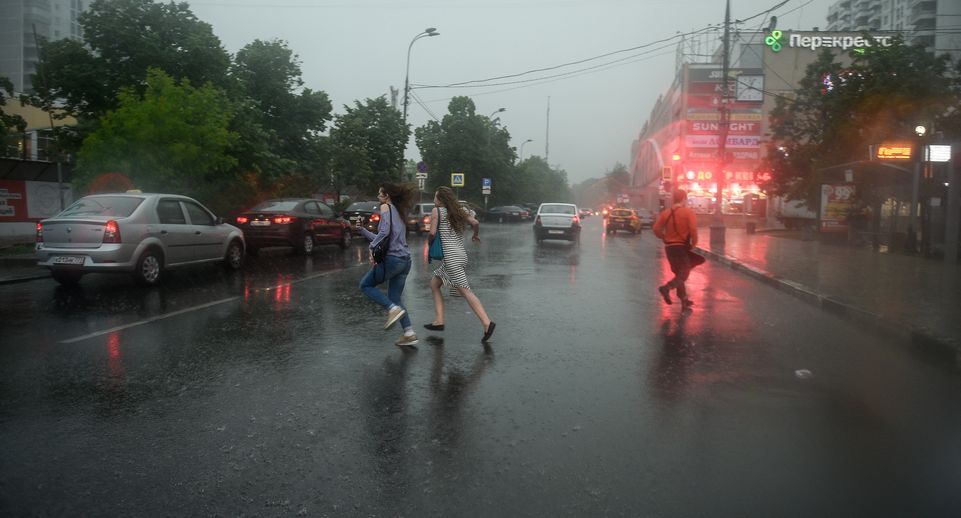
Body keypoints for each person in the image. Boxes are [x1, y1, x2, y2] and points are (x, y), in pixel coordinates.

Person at [424, 186, 496, 342]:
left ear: (441, 200)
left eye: (436, 197)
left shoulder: (437, 211)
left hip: (451, 259)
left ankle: (486, 322)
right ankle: (439, 321)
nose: (434, 200)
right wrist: (475, 236)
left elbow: (432, 233)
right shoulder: (460, 211)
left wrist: (430, 244)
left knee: (466, 291)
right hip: (460, 256)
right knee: (434, 284)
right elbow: (475, 223)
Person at [359, 183, 418, 346]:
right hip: (405, 261)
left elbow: (384, 233)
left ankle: (392, 309)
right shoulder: (400, 212)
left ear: (387, 196)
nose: (378, 197)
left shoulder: (385, 207)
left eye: (380, 194)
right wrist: (363, 230)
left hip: (392, 260)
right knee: (395, 297)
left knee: (365, 285)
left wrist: (371, 249)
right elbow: (384, 237)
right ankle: (409, 333)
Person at [652, 189, 699, 311]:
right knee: (684, 272)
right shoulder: (688, 213)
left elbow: (656, 229)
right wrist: (694, 243)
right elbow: (693, 229)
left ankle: (684, 300)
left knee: (679, 273)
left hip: (669, 248)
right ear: (683, 199)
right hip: (681, 247)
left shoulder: (665, 213)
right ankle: (666, 288)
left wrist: (664, 237)